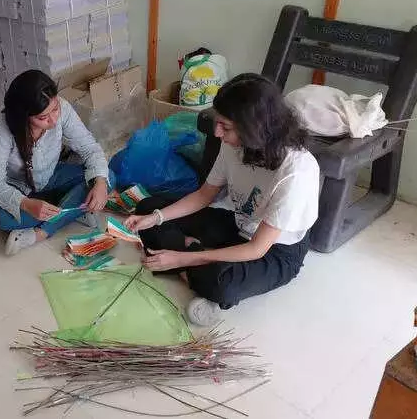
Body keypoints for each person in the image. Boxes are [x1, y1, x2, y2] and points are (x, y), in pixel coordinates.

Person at [125, 73, 320, 326]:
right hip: (239, 224)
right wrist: (155, 217)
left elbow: (256, 249)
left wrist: (183, 258)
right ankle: (197, 262)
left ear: (255, 128)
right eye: (219, 123)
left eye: (225, 127)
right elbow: (205, 195)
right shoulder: (234, 144)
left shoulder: (297, 171)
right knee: (148, 208)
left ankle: (192, 262)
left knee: (223, 285)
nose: (217, 133)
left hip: (275, 249)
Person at [0, 69, 113, 255]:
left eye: (55, 109)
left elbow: (89, 148)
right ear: (24, 117)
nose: (53, 120)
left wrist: (99, 182)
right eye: (42, 118)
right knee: (1, 218)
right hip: (18, 186)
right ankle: (72, 209)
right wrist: (26, 204)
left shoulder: (63, 109)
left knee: (107, 178)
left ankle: (40, 232)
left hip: (51, 176)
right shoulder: (2, 125)